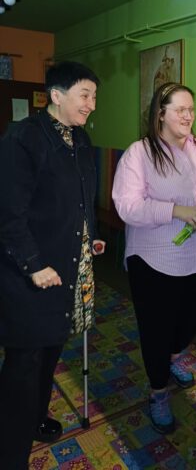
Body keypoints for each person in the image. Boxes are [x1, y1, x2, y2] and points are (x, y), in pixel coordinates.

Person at [0, 61, 105, 469]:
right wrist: (33, 265)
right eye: (85, 95)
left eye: (94, 96)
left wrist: (90, 233)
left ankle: (34, 419)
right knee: (23, 367)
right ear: (56, 96)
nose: (92, 104)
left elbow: (81, 197)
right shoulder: (23, 138)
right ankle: (10, 452)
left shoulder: (80, 138)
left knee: (48, 356)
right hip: (31, 277)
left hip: (68, 271)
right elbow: (9, 214)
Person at [112, 82, 196, 435]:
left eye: (191, 109)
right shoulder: (139, 153)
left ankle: (172, 358)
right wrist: (176, 210)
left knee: (191, 320)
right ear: (160, 113)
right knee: (156, 331)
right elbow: (127, 206)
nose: (189, 116)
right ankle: (158, 392)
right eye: (180, 110)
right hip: (153, 260)